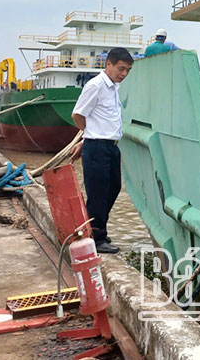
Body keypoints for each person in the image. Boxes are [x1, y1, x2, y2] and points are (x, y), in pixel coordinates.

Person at [70, 47, 134, 254]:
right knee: (98, 193)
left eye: (127, 70)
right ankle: (96, 238)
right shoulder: (96, 86)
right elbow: (78, 115)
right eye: (121, 69)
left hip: (111, 147)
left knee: (113, 188)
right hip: (97, 147)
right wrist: (90, 136)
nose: (124, 74)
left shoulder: (113, 86)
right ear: (109, 64)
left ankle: (92, 230)